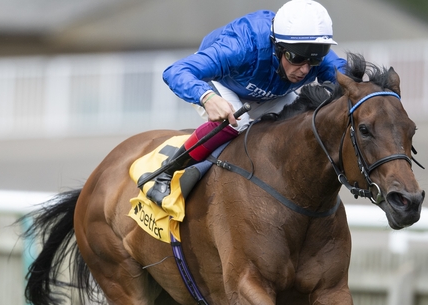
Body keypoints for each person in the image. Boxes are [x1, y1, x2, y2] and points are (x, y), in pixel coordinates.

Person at [146, 0, 347, 206]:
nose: (305, 70)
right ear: (277, 46)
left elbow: (351, 82)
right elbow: (175, 71)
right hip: (222, 83)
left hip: (271, 93)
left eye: (313, 61)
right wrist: (207, 97)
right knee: (238, 122)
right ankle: (166, 172)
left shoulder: (312, 52)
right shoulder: (241, 45)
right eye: (296, 58)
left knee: (302, 124)